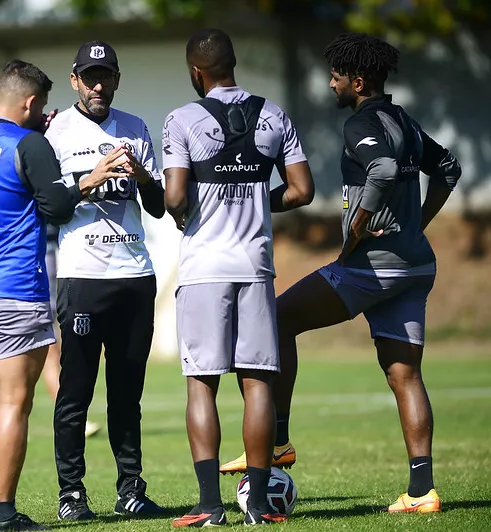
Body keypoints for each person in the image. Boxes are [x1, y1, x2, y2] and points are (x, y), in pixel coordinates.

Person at [221, 32, 462, 514]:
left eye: (335, 77)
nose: (330, 85)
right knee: (405, 374)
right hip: (414, 266)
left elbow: (385, 170)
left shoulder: (362, 123)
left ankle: (277, 442)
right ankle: (421, 492)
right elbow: (450, 168)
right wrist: (418, 224)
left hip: (370, 268)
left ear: (357, 80)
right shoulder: (405, 120)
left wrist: (356, 227)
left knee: (277, 318)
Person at [0, 59, 118, 532]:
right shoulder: (31, 144)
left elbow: (3, 174)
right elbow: (58, 207)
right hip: (14, 291)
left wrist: (31, 136)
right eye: (40, 107)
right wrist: (89, 177)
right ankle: (3, 514)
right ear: (30, 103)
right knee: (14, 404)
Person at [163, 29, 315, 527]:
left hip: (205, 269)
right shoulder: (274, 115)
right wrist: (256, 202)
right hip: (255, 267)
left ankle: (210, 506)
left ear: (196, 73)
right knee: (257, 385)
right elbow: (301, 190)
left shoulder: (182, 118)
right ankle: (257, 505)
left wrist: (188, 207)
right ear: (233, 65)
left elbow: (174, 199)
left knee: (201, 385)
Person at [45, 40, 167, 522]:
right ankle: (71, 494)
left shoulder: (136, 128)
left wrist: (142, 176)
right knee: (75, 392)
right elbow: (49, 207)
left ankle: (130, 489)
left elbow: (159, 208)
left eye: (107, 75)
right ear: (74, 80)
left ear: (117, 79)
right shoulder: (56, 133)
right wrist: (88, 180)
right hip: (82, 279)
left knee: (127, 394)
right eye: (89, 76)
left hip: (134, 277)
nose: (98, 85)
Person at [40, 224, 102, 439]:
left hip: (52, 271)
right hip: (35, 279)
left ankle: (72, 419)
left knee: (53, 355)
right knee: (49, 354)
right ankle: (72, 421)